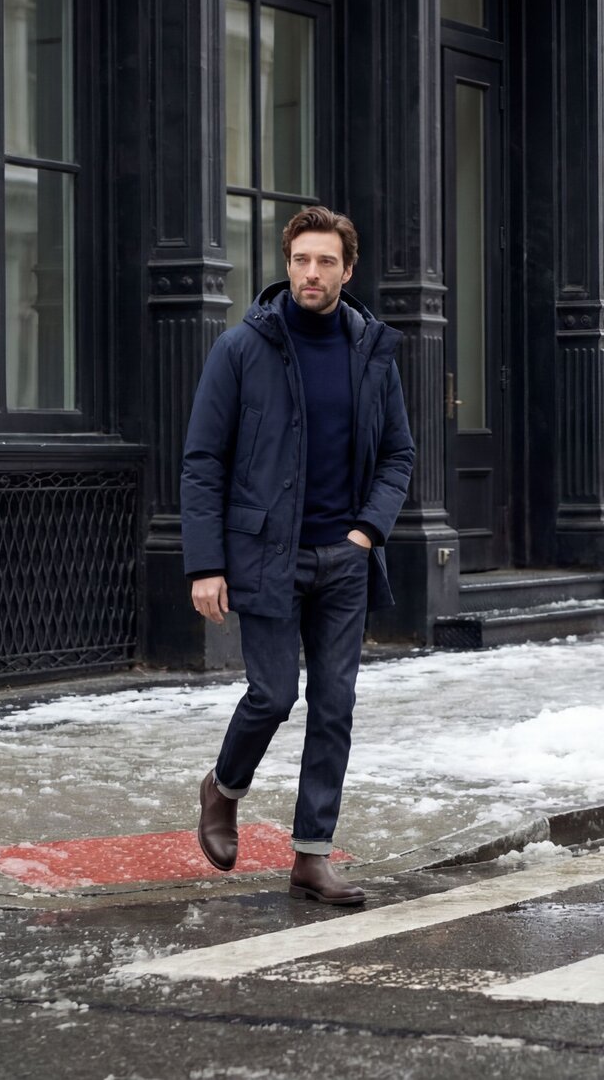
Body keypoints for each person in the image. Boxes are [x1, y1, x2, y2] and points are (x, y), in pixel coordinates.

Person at [180, 206, 415, 906]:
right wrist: (205, 563)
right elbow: (202, 462)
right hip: (265, 555)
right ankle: (222, 790)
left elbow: (399, 453)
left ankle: (311, 854)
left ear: (348, 269)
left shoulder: (371, 350)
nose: (311, 274)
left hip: (342, 559)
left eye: (325, 262)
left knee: (335, 704)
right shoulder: (242, 348)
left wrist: (368, 532)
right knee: (274, 694)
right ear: (288, 265)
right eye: (300, 260)